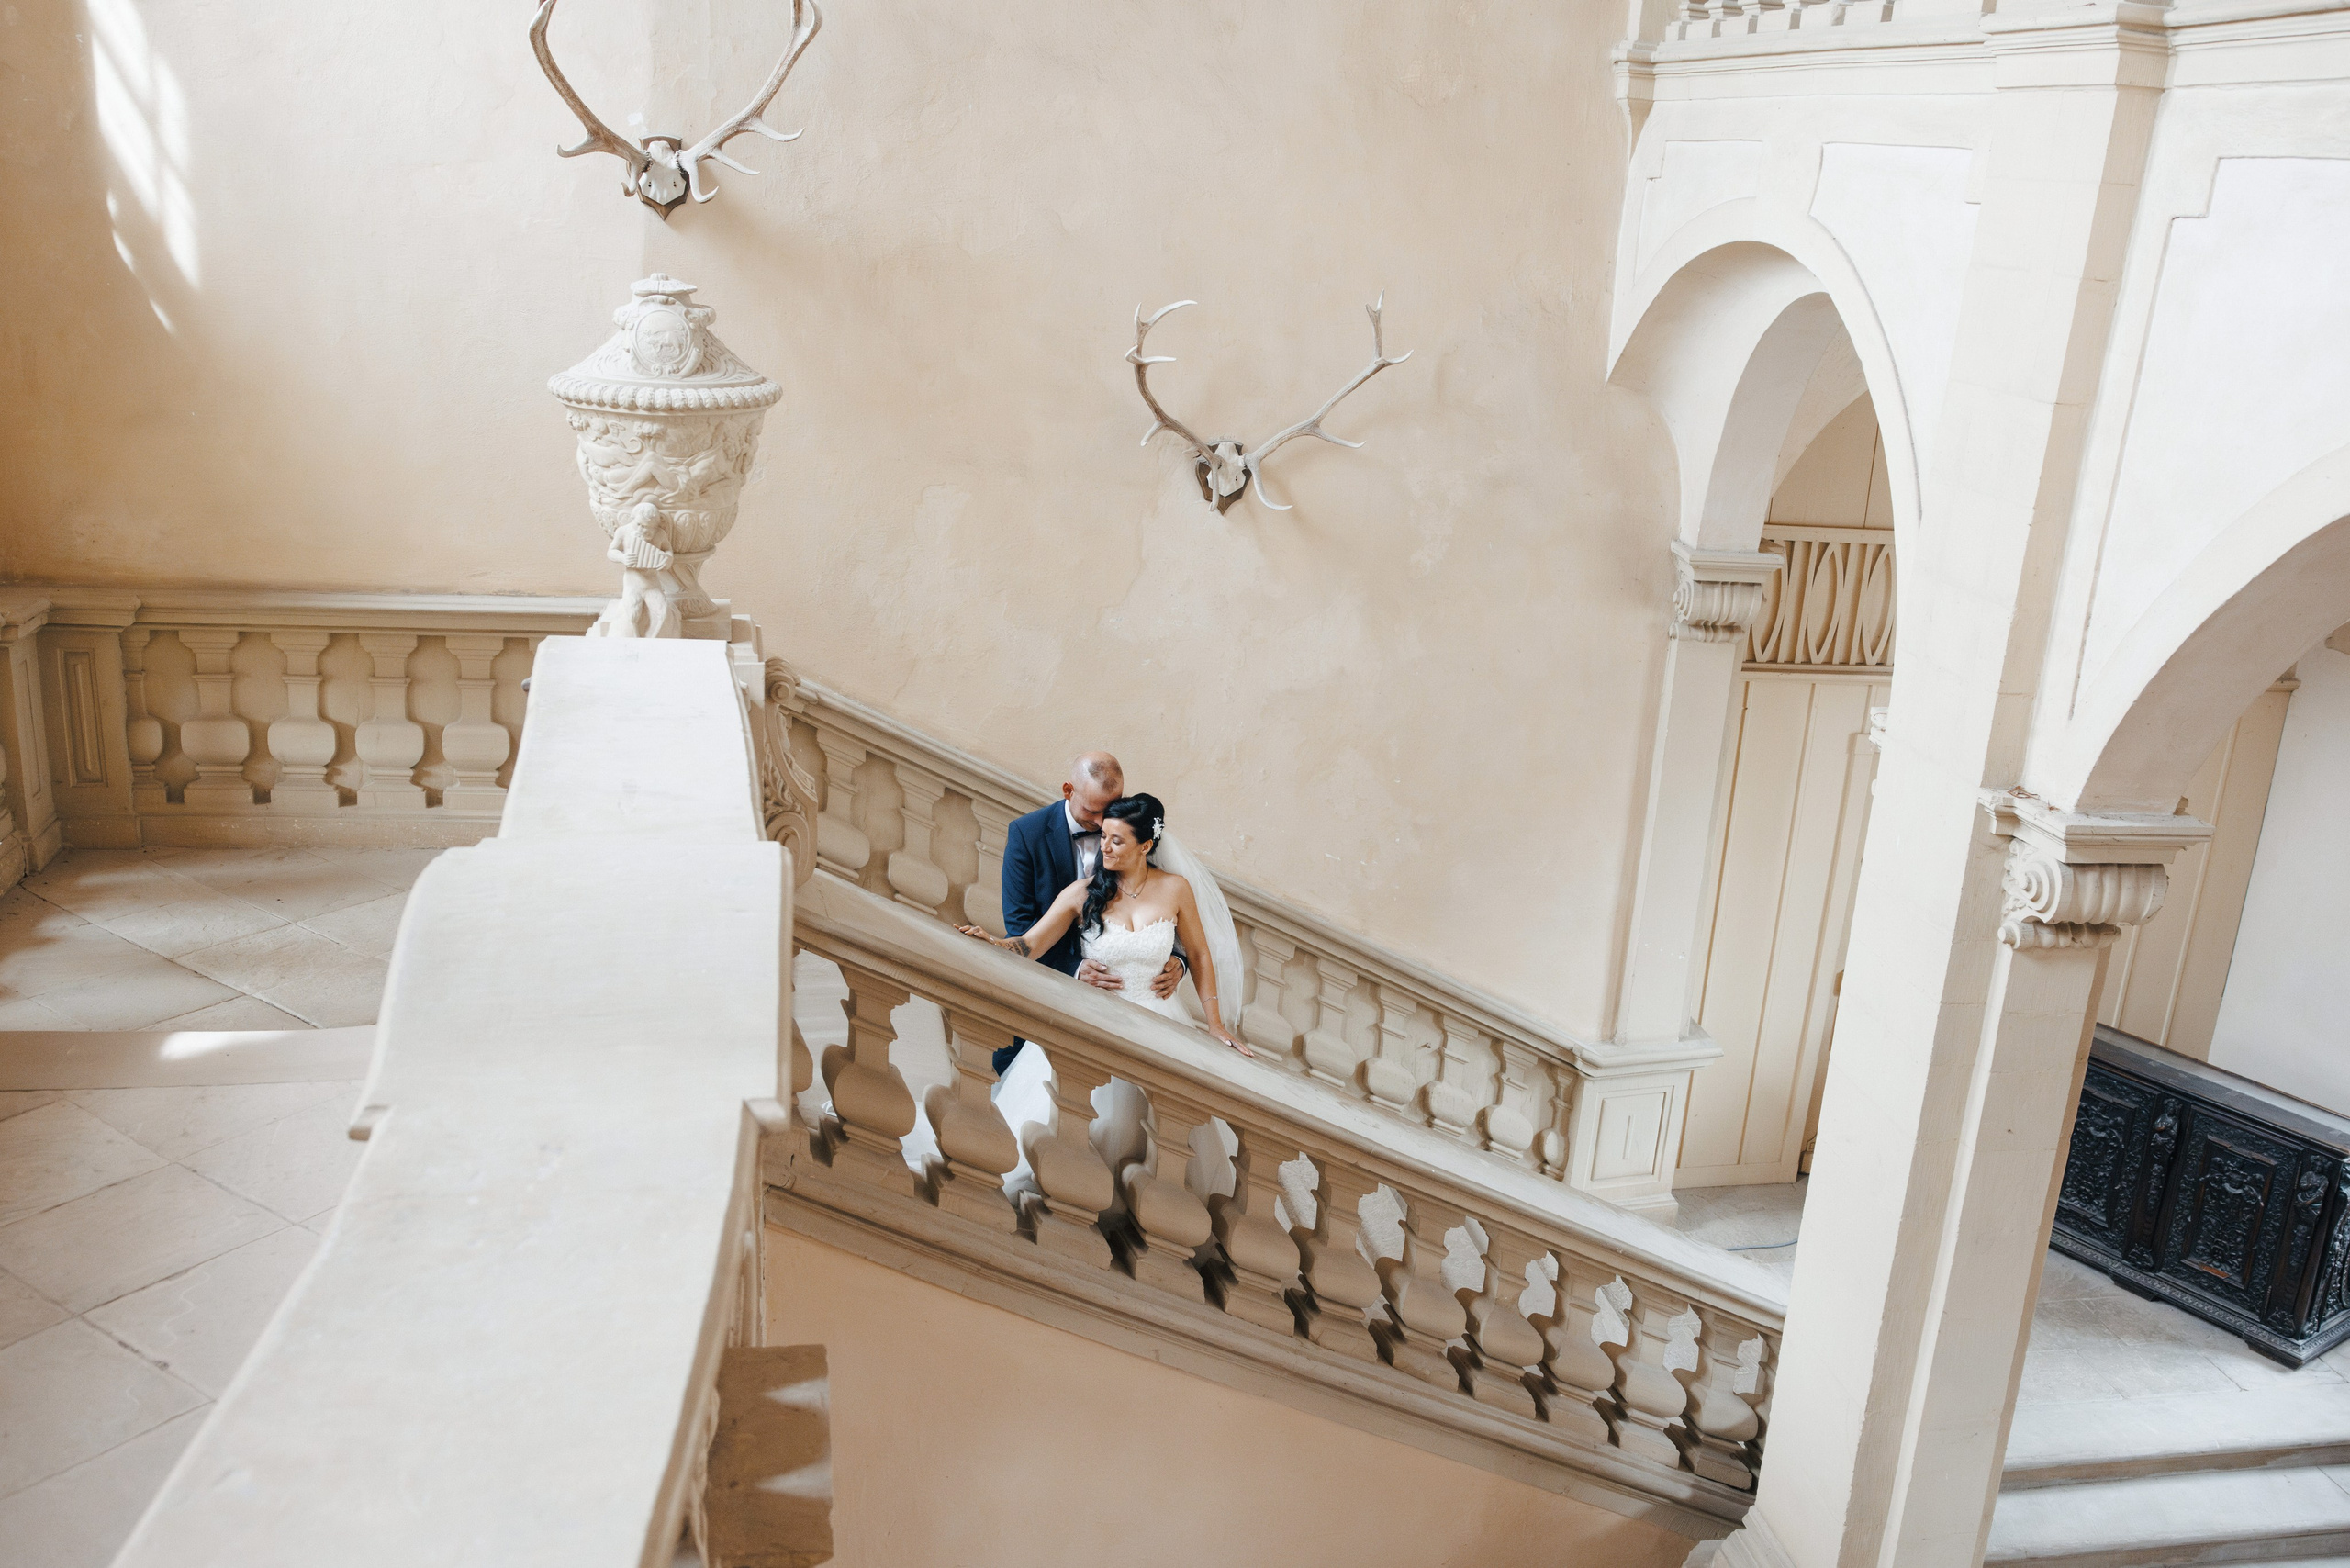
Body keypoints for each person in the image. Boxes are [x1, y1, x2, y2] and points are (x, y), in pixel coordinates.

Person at [962, 793, 1250, 1058]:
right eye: (1103, 836)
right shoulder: (1081, 893)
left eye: (1117, 840)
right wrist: (994, 942)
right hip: (1093, 1019)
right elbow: (1030, 944)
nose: (1105, 847)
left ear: (1145, 846)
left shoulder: (1176, 889)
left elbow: (1199, 954)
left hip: (1159, 1024)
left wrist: (1215, 1024)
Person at [994, 753, 1184, 1072]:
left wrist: (1179, 960)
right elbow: (1020, 926)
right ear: (1068, 790)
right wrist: (1075, 968)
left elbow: (1161, 904)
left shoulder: (1132, 834)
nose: (1101, 824)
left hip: (1132, 1003)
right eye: (1093, 811)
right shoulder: (1026, 834)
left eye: (1108, 809)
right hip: (1047, 985)